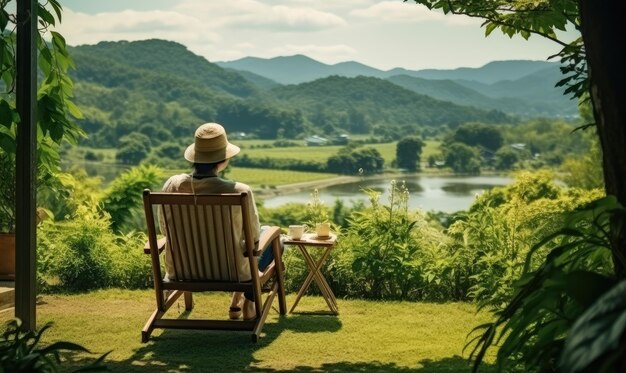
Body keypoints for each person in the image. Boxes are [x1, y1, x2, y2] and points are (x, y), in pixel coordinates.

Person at [159, 122, 280, 320]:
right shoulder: (240, 190)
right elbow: (255, 240)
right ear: (223, 159)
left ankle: (237, 304)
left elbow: (165, 230)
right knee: (275, 239)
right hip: (234, 274)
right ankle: (249, 301)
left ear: (195, 158)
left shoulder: (171, 186)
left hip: (181, 271)